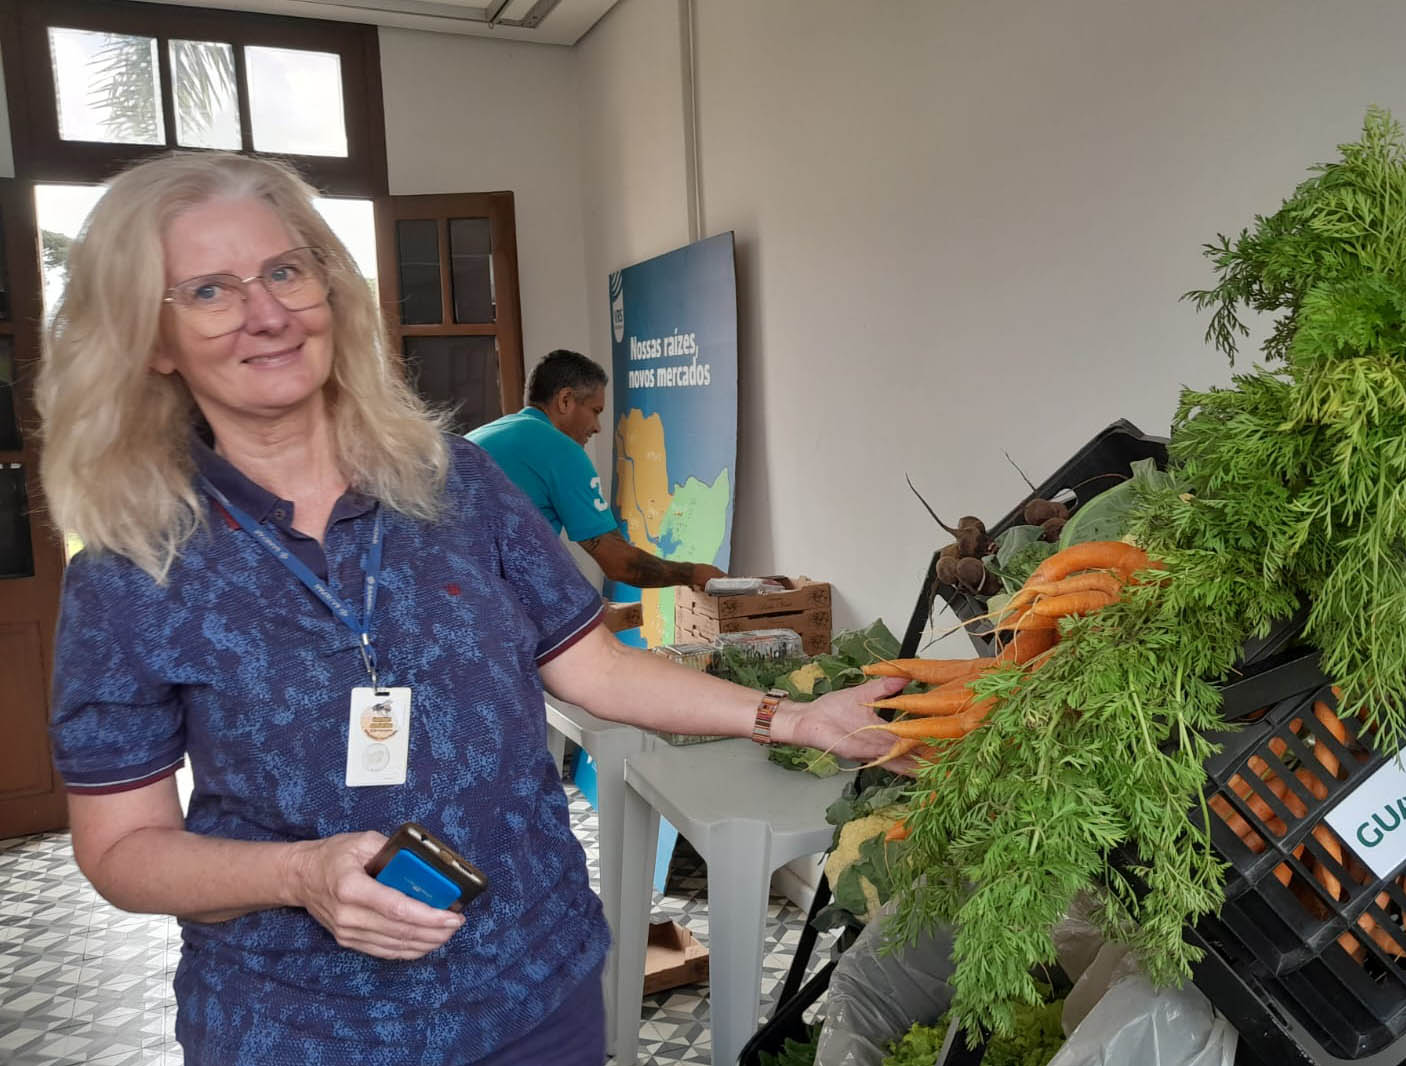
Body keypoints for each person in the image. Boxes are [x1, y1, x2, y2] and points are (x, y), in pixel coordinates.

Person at [38, 151, 908, 1066]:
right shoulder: (133, 566)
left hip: (532, 988)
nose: (266, 313)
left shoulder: (457, 482)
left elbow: (593, 668)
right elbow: (122, 847)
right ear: (152, 340)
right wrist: (298, 874)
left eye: (286, 271)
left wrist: (797, 718)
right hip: (298, 1026)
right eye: (209, 290)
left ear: (330, 291)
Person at [467, 350, 726, 591]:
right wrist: (693, 574)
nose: (597, 427)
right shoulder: (560, 449)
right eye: (595, 411)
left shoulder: (488, 434)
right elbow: (619, 563)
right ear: (565, 400)